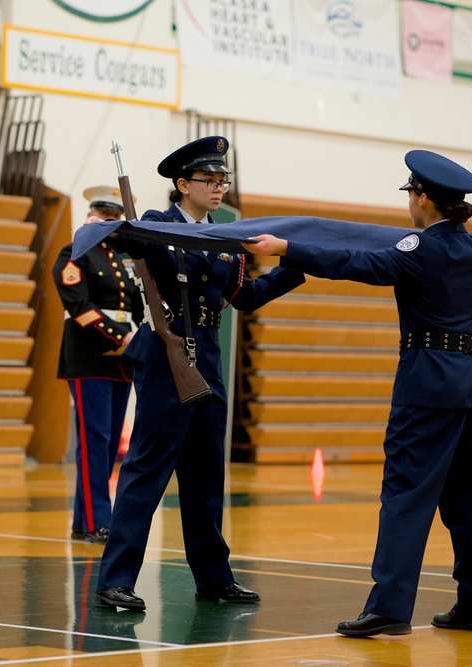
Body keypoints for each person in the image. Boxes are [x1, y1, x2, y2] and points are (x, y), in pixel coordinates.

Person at [244, 150, 472, 637]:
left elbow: (353, 261)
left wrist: (285, 248)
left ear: (422, 199)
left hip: (427, 384)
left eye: (411, 195)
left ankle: (390, 607)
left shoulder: (419, 249)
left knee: (405, 495)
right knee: (467, 502)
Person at [92, 136, 305, 611]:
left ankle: (214, 578)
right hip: (168, 355)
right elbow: (129, 240)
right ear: (182, 184)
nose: (218, 187)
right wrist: (126, 230)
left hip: (206, 354)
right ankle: (117, 579)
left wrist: (294, 266)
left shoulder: (227, 236)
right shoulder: (157, 224)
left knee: (207, 475)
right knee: (147, 470)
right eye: (209, 180)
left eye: (222, 180)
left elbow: (243, 297)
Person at [52, 185, 142, 544]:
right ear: (91, 216)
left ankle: (85, 519)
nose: (109, 223)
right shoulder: (75, 252)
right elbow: (78, 306)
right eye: (104, 217)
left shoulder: (123, 258)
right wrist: (121, 335)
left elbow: (136, 304)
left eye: (114, 218)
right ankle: (95, 522)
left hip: (123, 361)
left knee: (107, 446)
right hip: (90, 354)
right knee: (95, 441)